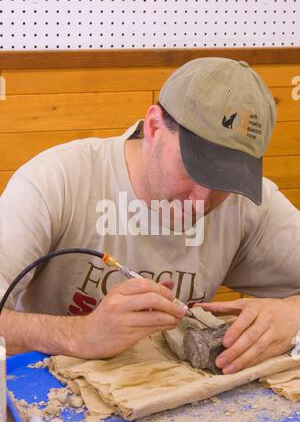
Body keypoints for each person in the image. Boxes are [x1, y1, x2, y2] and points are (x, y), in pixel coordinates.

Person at [0, 57, 299, 375]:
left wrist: (290, 314)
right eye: (194, 169)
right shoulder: (55, 181)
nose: (202, 200)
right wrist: (77, 335)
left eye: (224, 181)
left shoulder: (248, 204)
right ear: (154, 126)